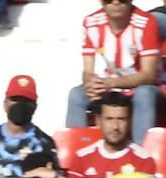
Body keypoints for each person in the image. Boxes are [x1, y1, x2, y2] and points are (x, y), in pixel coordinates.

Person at [66, 0, 160, 145]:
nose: (115, 2)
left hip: (146, 85)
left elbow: (149, 75)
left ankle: (142, 155)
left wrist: (110, 83)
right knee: (77, 94)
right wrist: (91, 83)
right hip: (112, 83)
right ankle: (76, 152)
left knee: (144, 94)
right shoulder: (91, 22)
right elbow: (87, 71)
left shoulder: (146, 22)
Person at [67, 90, 157, 178]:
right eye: (109, 119)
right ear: (98, 121)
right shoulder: (81, 157)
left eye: (121, 119)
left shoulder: (144, 160)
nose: (115, 127)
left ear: (130, 121)